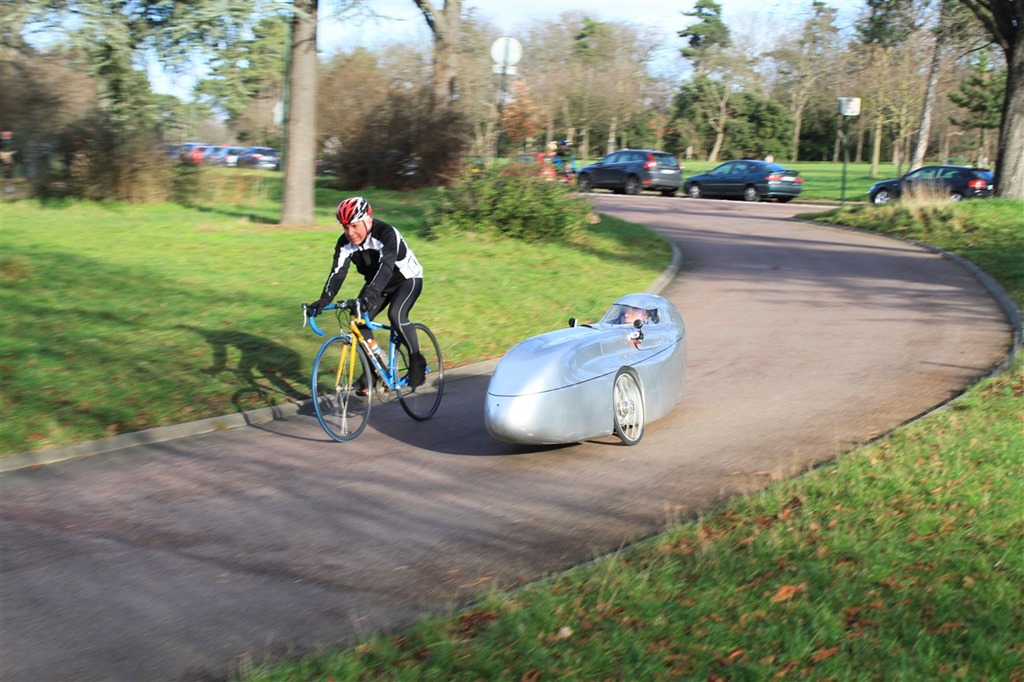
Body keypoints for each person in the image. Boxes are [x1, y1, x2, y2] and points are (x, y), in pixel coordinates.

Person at [305, 196, 426, 387]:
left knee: (396, 314)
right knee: (358, 321)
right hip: (377, 284)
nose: (350, 233)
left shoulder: (386, 233)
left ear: (368, 220)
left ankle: (416, 360)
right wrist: (324, 299)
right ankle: (373, 371)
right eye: (345, 227)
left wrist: (370, 295)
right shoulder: (345, 243)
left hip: (406, 279)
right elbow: (337, 273)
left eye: (354, 226)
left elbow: (386, 267)